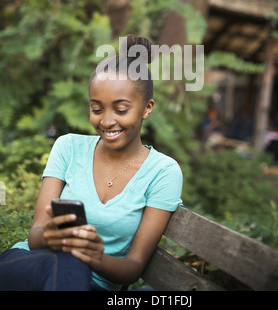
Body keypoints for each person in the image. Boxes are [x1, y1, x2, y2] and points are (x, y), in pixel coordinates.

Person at [0, 35, 183, 291]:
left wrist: (95, 256)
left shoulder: (163, 172)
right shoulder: (68, 147)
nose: (107, 122)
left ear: (147, 108)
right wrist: (50, 236)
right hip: (30, 265)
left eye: (120, 110)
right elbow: (35, 235)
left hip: (90, 285)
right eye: (97, 109)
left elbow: (133, 267)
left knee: (74, 265)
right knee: (68, 262)